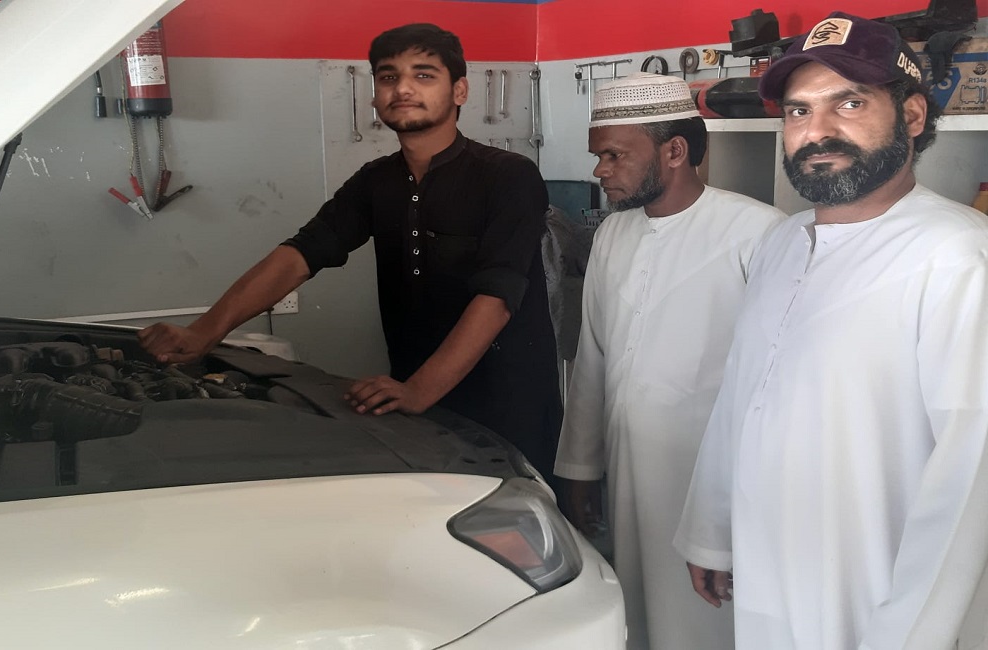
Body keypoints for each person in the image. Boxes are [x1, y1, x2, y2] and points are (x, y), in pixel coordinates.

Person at [674, 12, 988, 649]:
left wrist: (914, 634)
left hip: (881, 592)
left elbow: (971, 480)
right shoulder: (783, 242)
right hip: (772, 566)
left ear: (913, 116)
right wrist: (712, 530)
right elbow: (742, 396)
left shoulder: (956, 256)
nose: (816, 131)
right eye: (798, 111)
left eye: (849, 103)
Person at [138, 23, 563, 483]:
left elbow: (497, 297)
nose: (403, 88)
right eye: (388, 76)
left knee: (524, 515)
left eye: (423, 75)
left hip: (507, 402)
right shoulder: (376, 181)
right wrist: (202, 333)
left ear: (459, 90)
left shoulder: (509, 176)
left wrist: (420, 390)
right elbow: (299, 256)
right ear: (375, 96)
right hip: (414, 400)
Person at [553, 72, 785, 649]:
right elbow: (593, 359)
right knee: (638, 613)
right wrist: (580, 466)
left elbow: (775, 385)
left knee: (707, 623)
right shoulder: (613, 234)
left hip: (710, 478)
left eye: (614, 155)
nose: (600, 170)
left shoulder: (759, 233)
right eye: (598, 155)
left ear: (674, 151)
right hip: (628, 471)